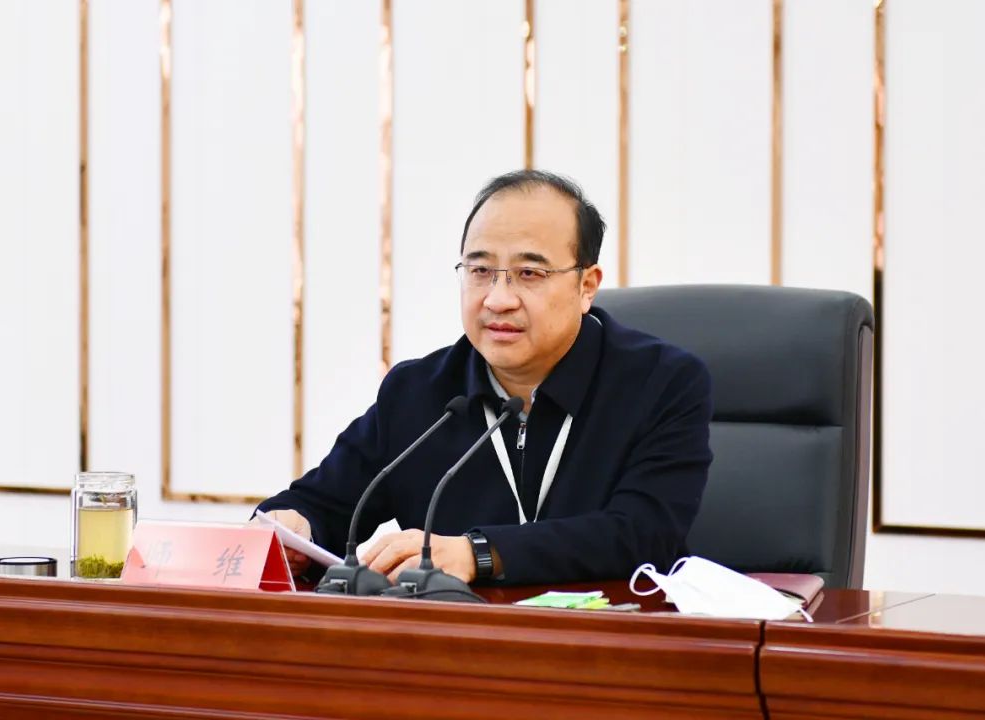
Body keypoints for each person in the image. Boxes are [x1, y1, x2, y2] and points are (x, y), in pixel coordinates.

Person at [257, 170, 713, 586]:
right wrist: (294, 527)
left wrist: (479, 553)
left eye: (529, 273)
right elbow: (322, 505)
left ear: (586, 286)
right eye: (480, 271)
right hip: (460, 638)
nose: (498, 299)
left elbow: (644, 533)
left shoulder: (661, 383)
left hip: (610, 634)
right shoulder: (418, 393)